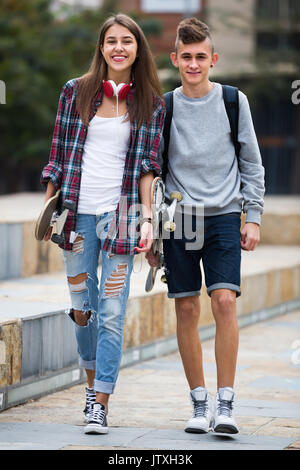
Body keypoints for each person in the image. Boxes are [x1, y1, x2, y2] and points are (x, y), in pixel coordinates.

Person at [40, 13, 165, 435]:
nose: (118, 47)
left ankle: (100, 402)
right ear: (101, 47)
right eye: (111, 40)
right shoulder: (75, 92)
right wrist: (48, 215)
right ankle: (92, 387)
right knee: (82, 310)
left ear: (137, 48)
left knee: (111, 313)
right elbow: (57, 158)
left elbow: (149, 165)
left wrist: (148, 219)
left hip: (124, 220)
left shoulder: (151, 101)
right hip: (76, 218)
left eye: (126, 41)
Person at [146, 18, 265, 434]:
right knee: (187, 306)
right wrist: (151, 227)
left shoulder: (234, 101)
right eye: (187, 57)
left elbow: (251, 162)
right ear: (175, 58)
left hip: (225, 215)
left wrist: (254, 216)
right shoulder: (166, 106)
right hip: (181, 218)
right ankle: (199, 404)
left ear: (212, 59)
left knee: (225, 302)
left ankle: (226, 403)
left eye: (201, 57)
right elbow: (153, 168)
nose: (194, 64)